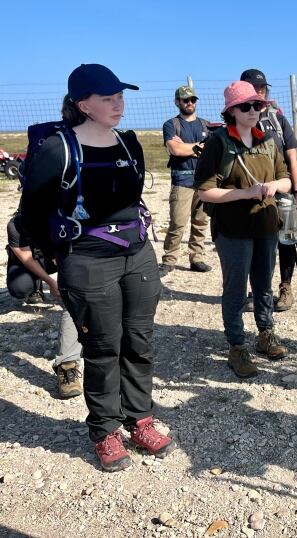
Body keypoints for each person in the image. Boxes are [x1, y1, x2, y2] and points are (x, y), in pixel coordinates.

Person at [20, 64, 174, 472]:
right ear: (83, 104)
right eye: (107, 98)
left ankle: (139, 418)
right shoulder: (59, 148)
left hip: (138, 256)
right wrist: (56, 261)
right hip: (88, 261)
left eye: (120, 96)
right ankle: (104, 429)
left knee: (139, 341)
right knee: (103, 347)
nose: (118, 104)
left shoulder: (129, 144)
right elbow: (31, 213)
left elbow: (133, 196)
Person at [194, 81, 291, 378]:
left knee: (264, 284)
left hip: (266, 224)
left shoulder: (267, 142)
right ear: (231, 111)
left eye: (258, 105)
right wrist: (243, 194)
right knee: (235, 289)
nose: (253, 111)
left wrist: (276, 185)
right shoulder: (219, 143)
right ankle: (237, 346)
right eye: (246, 106)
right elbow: (203, 192)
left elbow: (286, 179)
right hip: (232, 228)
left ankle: (266, 334)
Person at [239, 68, 297, 312]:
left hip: (283, 190)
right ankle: (258, 291)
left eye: (262, 88)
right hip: (252, 194)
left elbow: (292, 157)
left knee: (286, 239)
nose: (259, 92)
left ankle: (285, 287)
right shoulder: (238, 120)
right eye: (253, 88)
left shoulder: (277, 118)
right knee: (255, 243)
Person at [6, 213, 83, 399]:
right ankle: (66, 365)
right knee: (20, 287)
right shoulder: (17, 224)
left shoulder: (66, 215)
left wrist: (66, 281)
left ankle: (71, 359)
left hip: (58, 256)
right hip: (33, 258)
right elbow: (26, 257)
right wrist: (50, 281)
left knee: (74, 292)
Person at [159, 86, 212, 277]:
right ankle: (169, 260)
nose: (190, 103)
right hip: (182, 180)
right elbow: (176, 150)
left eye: (193, 100)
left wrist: (188, 146)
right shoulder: (171, 125)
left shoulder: (206, 125)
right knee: (178, 223)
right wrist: (200, 147)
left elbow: (213, 150)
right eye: (185, 100)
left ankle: (196, 258)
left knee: (201, 221)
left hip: (204, 181)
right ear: (177, 102)